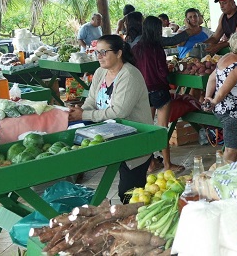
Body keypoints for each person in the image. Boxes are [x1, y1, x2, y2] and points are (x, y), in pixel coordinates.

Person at [67, 34, 152, 201]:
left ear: (119, 53)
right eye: (96, 52)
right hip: (112, 136)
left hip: (135, 140)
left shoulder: (129, 75)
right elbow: (91, 100)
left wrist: (84, 114)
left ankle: (139, 224)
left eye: (104, 52)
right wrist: (78, 112)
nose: (99, 57)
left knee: (129, 193)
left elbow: (119, 112)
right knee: (122, 189)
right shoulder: (100, 72)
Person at [133, 16, 185, 172]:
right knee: (162, 129)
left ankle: (150, 164)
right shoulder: (157, 49)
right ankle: (168, 164)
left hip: (143, 92)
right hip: (159, 91)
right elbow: (162, 72)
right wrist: (169, 68)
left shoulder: (136, 48)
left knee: (148, 128)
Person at [204, 31, 237, 163]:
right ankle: (226, 175)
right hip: (231, 112)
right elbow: (224, 89)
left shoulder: (225, 58)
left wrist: (207, 98)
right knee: (231, 149)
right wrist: (214, 101)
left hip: (224, 110)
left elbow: (211, 79)